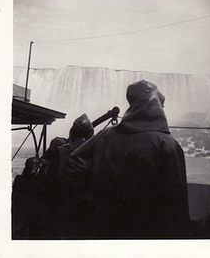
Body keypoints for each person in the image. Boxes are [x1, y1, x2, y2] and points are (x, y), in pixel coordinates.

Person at [62, 80, 190, 238]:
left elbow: (73, 164)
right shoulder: (167, 145)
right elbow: (176, 203)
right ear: (156, 105)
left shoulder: (106, 135)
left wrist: (90, 198)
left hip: (104, 225)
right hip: (146, 231)